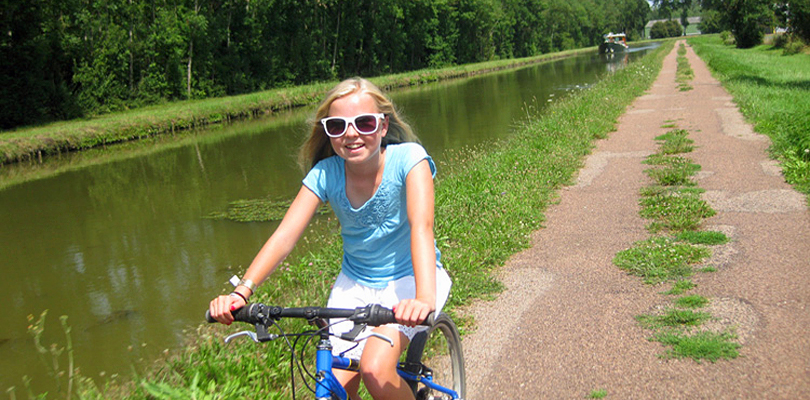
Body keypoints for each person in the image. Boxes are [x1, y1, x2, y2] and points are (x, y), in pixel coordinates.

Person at [208, 77, 452, 400]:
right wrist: (242, 292)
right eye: (337, 126)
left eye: (363, 122)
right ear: (329, 132)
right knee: (332, 386)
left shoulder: (409, 159)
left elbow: (421, 227)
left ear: (382, 126)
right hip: (354, 287)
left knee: (375, 369)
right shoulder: (325, 174)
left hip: (409, 280)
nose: (351, 134)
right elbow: (284, 236)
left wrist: (423, 299)